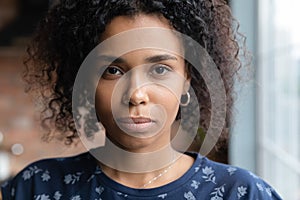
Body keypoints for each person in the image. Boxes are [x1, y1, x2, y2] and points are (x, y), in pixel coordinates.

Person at [0, 0, 282, 199]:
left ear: (187, 80)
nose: (136, 94)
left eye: (160, 69)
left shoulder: (241, 194)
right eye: (113, 70)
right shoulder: (37, 188)